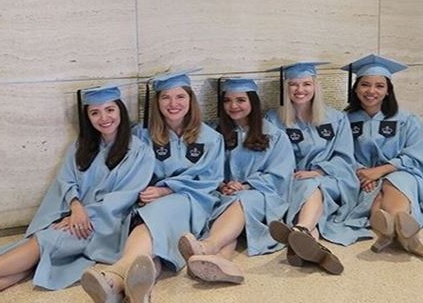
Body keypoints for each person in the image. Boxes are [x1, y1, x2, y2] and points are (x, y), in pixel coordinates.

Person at [0, 85, 155, 303]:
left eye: (110, 110)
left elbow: (124, 197)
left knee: (47, 241)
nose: (104, 118)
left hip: (107, 224)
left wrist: (83, 215)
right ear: (87, 116)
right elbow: (66, 179)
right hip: (78, 217)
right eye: (95, 112)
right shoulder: (82, 147)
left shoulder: (140, 151)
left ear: (120, 110)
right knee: (45, 247)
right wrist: (76, 206)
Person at [81, 70, 224, 303]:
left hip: (192, 202)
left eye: (180, 97)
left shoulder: (210, 138)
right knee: (153, 248)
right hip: (147, 202)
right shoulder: (142, 135)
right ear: (157, 102)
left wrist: (167, 189)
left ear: (191, 100)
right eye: (165, 97)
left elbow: (211, 179)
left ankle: (115, 274)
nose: (173, 103)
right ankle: (135, 289)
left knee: (153, 216)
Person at [178, 77, 295, 284]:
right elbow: (205, 168)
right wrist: (221, 184)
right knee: (233, 204)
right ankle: (221, 263)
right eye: (227, 100)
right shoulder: (213, 133)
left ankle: (207, 246)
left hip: (262, 197)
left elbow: (280, 175)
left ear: (253, 102)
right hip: (224, 194)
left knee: (243, 200)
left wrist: (247, 185)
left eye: (240, 100)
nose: (233, 106)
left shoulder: (274, 135)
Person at [265, 62, 359, 275]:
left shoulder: (336, 118)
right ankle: (306, 237)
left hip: (332, 179)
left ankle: (300, 230)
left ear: (316, 86)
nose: (300, 90)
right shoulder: (273, 120)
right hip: (291, 179)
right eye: (294, 85)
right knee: (308, 187)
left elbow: (345, 157)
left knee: (312, 184)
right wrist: (294, 174)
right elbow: (271, 158)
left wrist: (319, 171)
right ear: (286, 88)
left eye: (306, 84)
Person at [342, 54, 423, 259]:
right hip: (362, 176)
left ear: (388, 91)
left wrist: (380, 171)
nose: (371, 91)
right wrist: (361, 172)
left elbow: (416, 155)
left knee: (393, 183)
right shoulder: (345, 120)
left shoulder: (407, 120)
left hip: (401, 171)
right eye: (365, 85)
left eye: (379, 86)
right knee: (375, 195)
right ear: (356, 89)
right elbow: (342, 154)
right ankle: (404, 235)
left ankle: (393, 231)